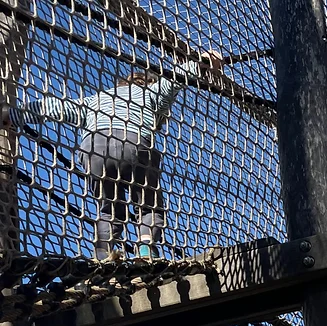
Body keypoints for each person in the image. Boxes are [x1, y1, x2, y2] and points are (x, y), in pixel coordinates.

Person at [2, 50, 224, 260]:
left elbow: (55, 107)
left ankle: (102, 255)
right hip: (135, 142)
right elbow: (173, 80)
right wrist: (201, 63)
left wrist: (13, 114)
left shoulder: (95, 100)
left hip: (94, 148)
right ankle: (146, 247)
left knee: (109, 210)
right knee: (149, 205)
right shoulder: (151, 93)